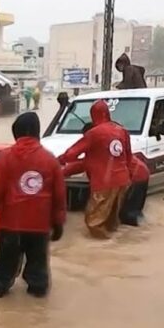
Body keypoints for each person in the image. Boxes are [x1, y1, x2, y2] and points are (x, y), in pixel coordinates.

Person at [0, 112, 66, 298]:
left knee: (5, 270)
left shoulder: (5, 157)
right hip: (39, 227)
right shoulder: (50, 160)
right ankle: (37, 308)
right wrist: (58, 222)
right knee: (38, 272)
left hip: (11, 225)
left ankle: (0, 298)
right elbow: (59, 196)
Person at [58, 99, 133, 238]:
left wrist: (59, 161)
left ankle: (100, 253)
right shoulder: (122, 130)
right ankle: (114, 245)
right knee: (112, 221)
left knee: (94, 222)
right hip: (123, 181)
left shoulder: (94, 134)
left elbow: (72, 153)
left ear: (93, 115)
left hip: (104, 183)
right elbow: (128, 157)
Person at [61, 155, 150, 227]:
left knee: (126, 215)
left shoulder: (94, 159)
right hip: (140, 173)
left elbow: (78, 166)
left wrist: (60, 172)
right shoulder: (104, 153)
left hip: (136, 176)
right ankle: (143, 225)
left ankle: (139, 230)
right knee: (130, 209)